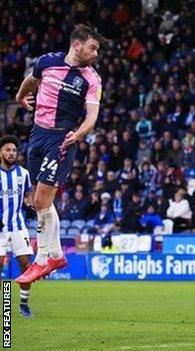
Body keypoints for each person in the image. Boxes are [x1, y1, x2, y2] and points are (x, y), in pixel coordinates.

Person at [15, 24, 104, 284]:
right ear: (77, 44)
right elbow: (31, 80)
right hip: (37, 135)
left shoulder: (91, 78)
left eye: (97, 49)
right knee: (39, 201)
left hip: (62, 139)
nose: (95, 53)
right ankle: (56, 254)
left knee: (41, 201)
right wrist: (21, 96)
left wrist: (79, 133)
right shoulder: (47, 62)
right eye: (92, 47)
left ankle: (41, 260)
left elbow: (92, 116)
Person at [0, 136, 36, 317]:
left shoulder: (24, 174)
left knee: (25, 265)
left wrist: (30, 206)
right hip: (0, 229)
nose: (11, 153)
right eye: (7, 149)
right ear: (1, 153)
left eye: (14, 150)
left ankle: (24, 303)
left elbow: (28, 195)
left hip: (18, 226)